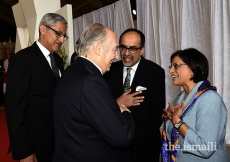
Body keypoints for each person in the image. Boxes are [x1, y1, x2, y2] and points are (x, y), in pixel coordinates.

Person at [53, 23, 135, 162]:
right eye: (114, 49)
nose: (116, 56)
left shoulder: (72, 72)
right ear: (98, 49)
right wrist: (124, 112)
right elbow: (122, 135)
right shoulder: (90, 81)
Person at [5, 13, 68, 162]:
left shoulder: (58, 60)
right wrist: (24, 151)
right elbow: (14, 110)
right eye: (58, 33)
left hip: (58, 142)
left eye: (64, 36)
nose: (61, 40)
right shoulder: (22, 60)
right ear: (43, 29)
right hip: (35, 145)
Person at [104, 28, 166, 161]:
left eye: (132, 48)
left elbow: (156, 116)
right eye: (123, 48)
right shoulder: (109, 71)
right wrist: (118, 101)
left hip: (144, 147)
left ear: (142, 50)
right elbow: (100, 107)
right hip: (112, 147)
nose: (126, 53)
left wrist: (129, 139)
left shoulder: (155, 72)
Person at [161, 48, 230, 162]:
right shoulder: (177, 100)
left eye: (176, 65)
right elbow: (173, 141)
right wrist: (167, 119)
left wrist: (177, 122)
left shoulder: (210, 99)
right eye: (171, 66)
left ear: (193, 69)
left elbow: (206, 148)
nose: (170, 71)